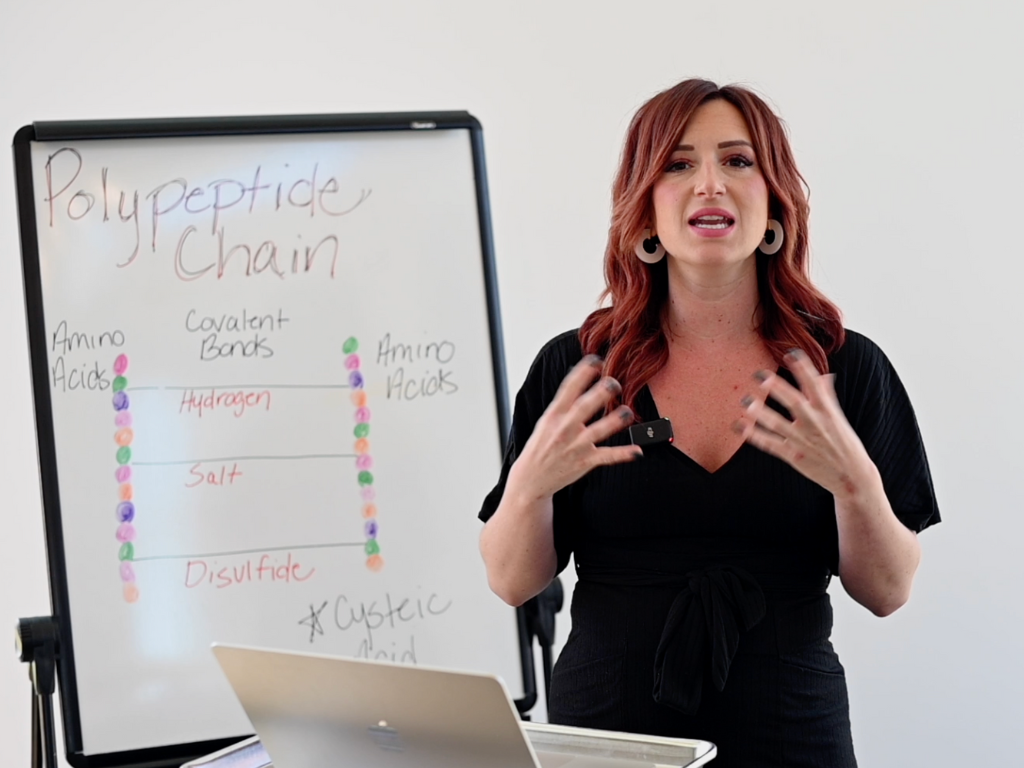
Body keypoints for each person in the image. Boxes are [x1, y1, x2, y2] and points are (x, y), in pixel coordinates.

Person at [477, 78, 940, 768]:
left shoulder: (844, 367)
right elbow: (513, 581)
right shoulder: (578, 367)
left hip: (793, 735)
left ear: (775, 199)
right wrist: (531, 486)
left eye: (737, 160)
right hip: (610, 739)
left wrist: (854, 484)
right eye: (679, 164)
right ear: (644, 209)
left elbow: (889, 591)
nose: (710, 184)